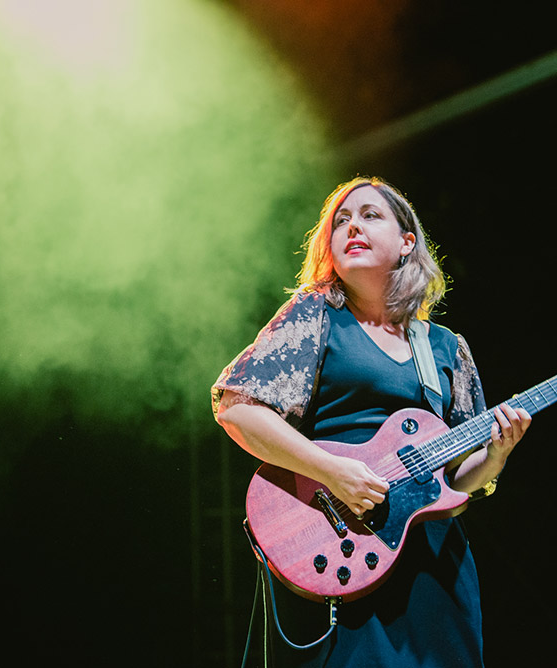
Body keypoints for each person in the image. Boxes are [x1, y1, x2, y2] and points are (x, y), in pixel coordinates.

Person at [211, 176, 531, 667]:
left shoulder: (446, 347)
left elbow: (458, 482)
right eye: (341, 220)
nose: (352, 226)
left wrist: (497, 455)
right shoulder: (316, 314)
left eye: (370, 215)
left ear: (407, 243)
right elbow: (237, 407)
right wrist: (330, 470)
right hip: (342, 549)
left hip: (431, 563)